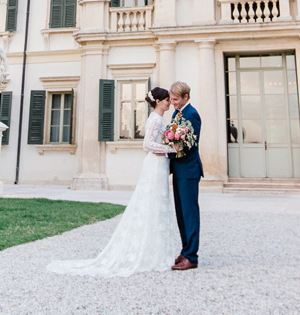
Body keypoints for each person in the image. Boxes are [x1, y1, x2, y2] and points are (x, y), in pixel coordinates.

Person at [47, 87, 180, 277]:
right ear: (158, 101)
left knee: (157, 205)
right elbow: (147, 144)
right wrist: (172, 149)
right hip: (155, 164)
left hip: (158, 164)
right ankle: (151, 253)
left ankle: (156, 252)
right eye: (167, 99)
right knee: (151, 203)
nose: (169, 102)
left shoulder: (160, 119)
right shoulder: (155, 119)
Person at [169, 80, 202, 270]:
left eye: (175, 99)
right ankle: (185, 249)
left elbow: (191, 144)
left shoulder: (192, 114)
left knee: (190, 213)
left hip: (189, 170)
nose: (173, 103)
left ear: (185, 97)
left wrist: (170, 148)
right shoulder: (177, 113)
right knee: (181, 213)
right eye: (171, 100)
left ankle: (192, 256)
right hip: (178, 170)